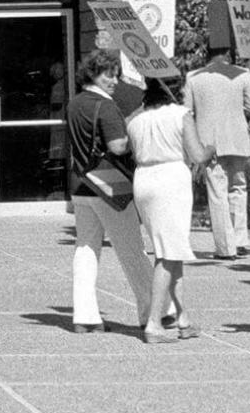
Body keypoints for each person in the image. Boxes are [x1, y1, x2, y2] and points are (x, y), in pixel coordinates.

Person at [66, 49, 153, 333]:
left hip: (81, 184)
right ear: (93, 74)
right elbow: (117, 145)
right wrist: (135, 137)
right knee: (132, 251)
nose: (113, 81)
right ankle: (155, 311)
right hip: (109, 184)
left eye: (115, 75)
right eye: (108, 75)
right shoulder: (106, 106)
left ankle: (85, 316)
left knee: (85, 248)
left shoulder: (75, 102)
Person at [127, 77, 213, 343]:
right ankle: (154, 322)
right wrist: (211, 148)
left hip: (143, 179)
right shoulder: (180, 114)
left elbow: (131, 150)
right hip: (170, 179)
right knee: (167, 253)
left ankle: (183, 318)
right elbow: (198, 155)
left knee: (171, 249)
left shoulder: (135, 120)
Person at [183, 45, 250, 260]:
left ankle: (226, 248)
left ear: (207, 55)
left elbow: (187, 112)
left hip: (209, 143)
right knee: (239, 188)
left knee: (217, 193)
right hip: (238, 140)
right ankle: (240, 241)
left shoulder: (193, 77)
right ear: (228, 55)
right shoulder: (243, 74)